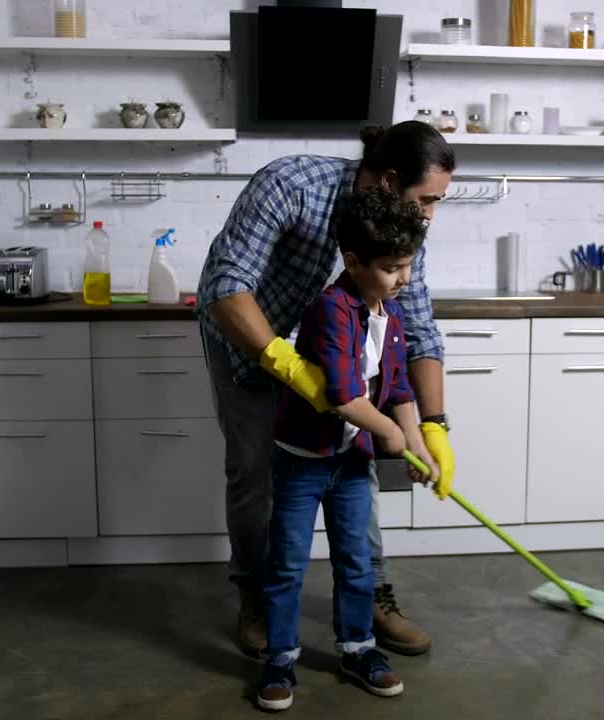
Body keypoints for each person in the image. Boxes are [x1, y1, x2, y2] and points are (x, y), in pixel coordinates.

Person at [197, 121, 457, 657]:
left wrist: (433, 425)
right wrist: (287, 365)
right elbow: (227, 285)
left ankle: (371, 596)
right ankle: (256, 595)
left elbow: (420, 326)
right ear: (388, 180)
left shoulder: (404, 226)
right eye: (428, 199)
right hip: (247, 342)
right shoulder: (292, 185)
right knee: (255, 473)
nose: (431, 213)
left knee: (357, 471)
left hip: (341, 362)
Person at [256, 188, 438, 711]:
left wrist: (420, 444)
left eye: (408, 265)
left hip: (352, 463)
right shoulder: (330, 310)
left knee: (357, 562)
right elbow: (342, 394)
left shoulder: (392, 314)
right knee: (289, 564)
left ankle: (358, 649)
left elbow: (399, 388)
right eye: (391, 267)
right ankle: (280, 658)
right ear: (353, 262)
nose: (403, 278)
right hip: (301, 461)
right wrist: (389, 433)